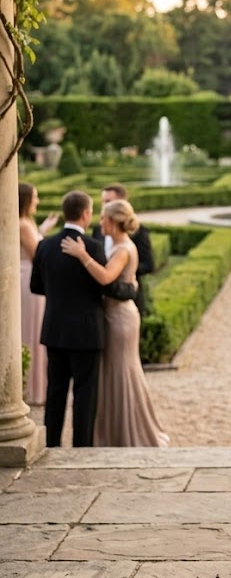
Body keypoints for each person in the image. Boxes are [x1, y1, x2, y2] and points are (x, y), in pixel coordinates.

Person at [62, 199, 169, 448]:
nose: (100, 223)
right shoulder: (122, 245)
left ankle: (128, 432)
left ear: (113, 221)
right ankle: (115, 430)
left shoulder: (122, 249)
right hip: (117, 314)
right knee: (115, 372)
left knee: (121, 371)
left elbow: (107, 278)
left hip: (119, 317)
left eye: (103, 218)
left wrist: (82, 255)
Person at [30, 190, 106, 446]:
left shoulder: (45, 245)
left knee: (55, 392)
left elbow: (35, 286)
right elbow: (103, 288)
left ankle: (51, 444)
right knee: (85, 394)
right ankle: (81, 447)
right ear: (86, 214)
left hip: (56, 329)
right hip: (87, 331)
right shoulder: (94, 247)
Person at [18, 183, 59, 405]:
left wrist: (42, 230)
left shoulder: (26, 222)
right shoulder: (23, 223)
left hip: (27, 275)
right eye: (35, 197)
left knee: (32, 328)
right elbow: (38, 254)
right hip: (27, 279)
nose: (38, 201)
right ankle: (33, 389)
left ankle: (33, 386)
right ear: (26, 199)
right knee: (32, 329)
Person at [93, 183, 155, 316]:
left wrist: (122, 269)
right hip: (101, 302)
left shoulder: (139, 232)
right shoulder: (99, 230)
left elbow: (149, 264)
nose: (104, 205)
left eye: (108, 201)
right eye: (103, 201)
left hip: (126, 298)